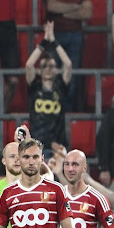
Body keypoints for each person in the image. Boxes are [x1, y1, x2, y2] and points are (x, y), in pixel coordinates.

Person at [41, 0, 92, 111]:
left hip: (75, 36)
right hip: (54, 36)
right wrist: (76, 7)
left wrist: (61, 9)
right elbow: (51, 5)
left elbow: (87, 12)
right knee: (52, 75)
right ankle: (52, 111)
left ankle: (67, 114)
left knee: (71, 77)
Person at [25, 21, 72, 158]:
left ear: (56, 70)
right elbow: (29, 65)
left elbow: (68, 64)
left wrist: (54, 41)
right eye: (44, 66)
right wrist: (44, 41)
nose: (47, 69)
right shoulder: (34, 88)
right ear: (39, 70)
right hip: (37, 146)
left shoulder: (61, 87)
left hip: (58, 145)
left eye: (51, 66)